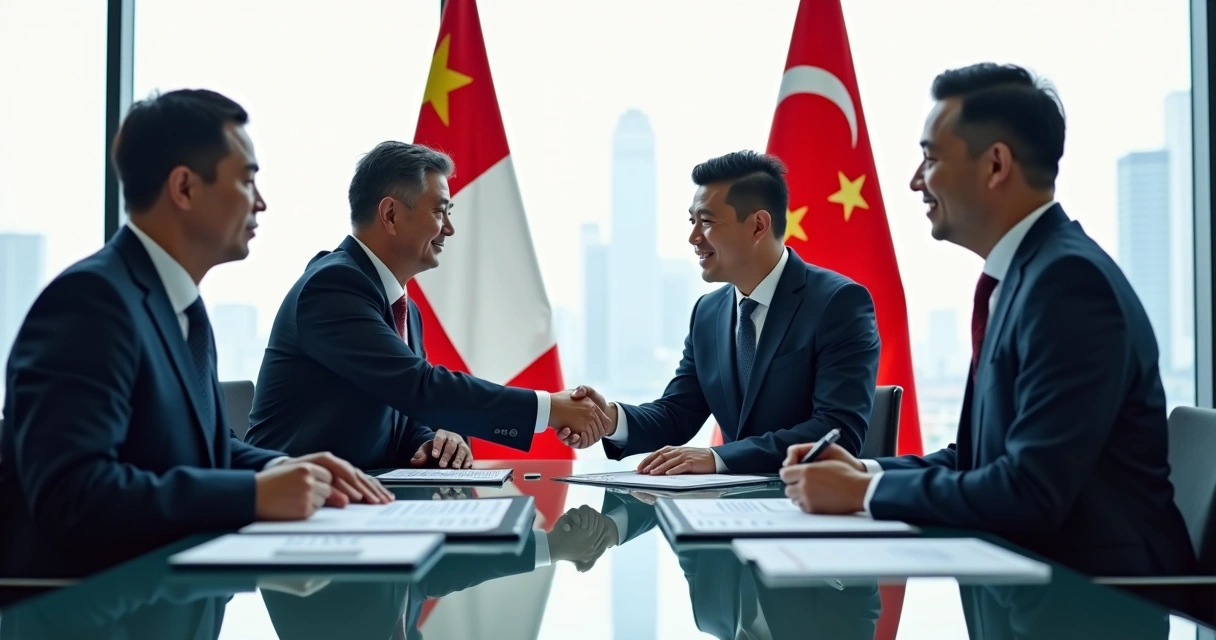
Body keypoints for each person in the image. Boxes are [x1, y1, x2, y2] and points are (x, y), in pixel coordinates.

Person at [780, 63, 1197, 581]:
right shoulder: (1026, 278)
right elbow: (979, 460)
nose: (915, 181)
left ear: (996, 164)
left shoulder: (1069, 285)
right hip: (1028, 587)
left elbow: (1030, 492)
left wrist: (864, 493)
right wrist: (861, 469)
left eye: (929, 158)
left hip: (1100, 600)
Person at [0, 89, 392, 579]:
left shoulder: (182, 307)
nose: (262, 203)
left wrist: (281, 468)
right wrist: (251, 496)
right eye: (248, 181)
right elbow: (73, 495)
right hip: (88, 609)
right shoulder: (90, 302)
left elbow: (208, 448)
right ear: (183, 188)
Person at [245, 141, 611, 471]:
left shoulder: (403, 307)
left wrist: (432, 439)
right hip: (291, 511)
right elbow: (419, 386)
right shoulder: (333, 287)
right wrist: (549, 409)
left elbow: (401, 408)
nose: (449, 228)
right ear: (389, 214)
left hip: (363, 500)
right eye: (439, 212)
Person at [570, 151, 881, 474]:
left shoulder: (838, 303)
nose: (693, 237)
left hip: (809, 506)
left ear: (758, 226)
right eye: (693, 222)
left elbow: (837, 433)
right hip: (728, 511)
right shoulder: (708, 312)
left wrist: (719, 458)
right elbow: (678, 413)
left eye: (707, 222)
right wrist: (610, 418)